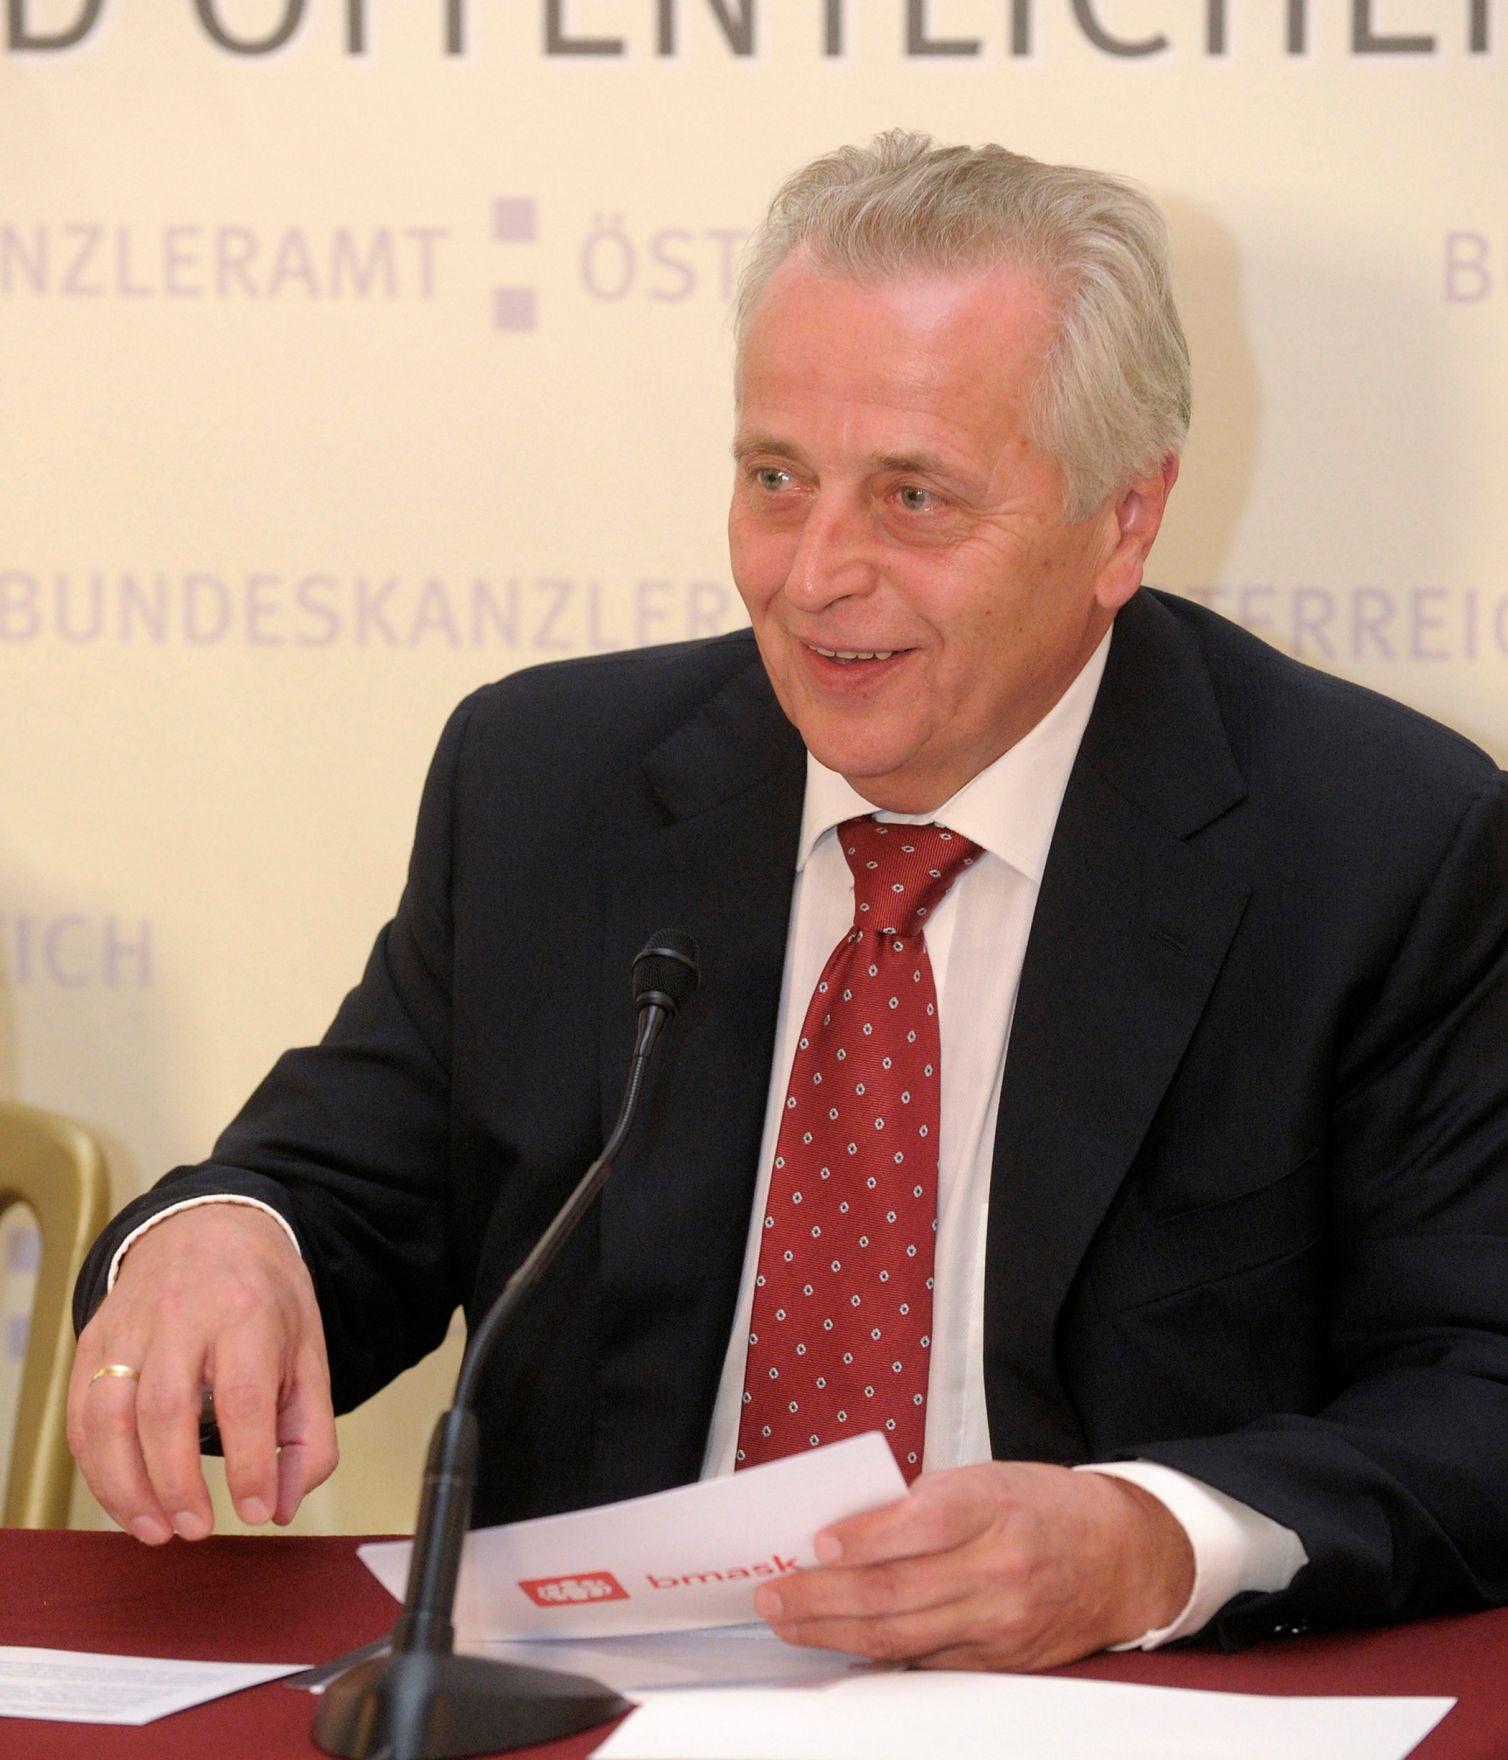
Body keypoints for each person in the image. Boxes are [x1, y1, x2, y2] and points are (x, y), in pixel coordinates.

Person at [69, 132, 1508, 1671]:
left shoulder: (1376, 845)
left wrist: (1153, 1539)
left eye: (913, 498)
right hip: (598, 1703)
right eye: (776, 479)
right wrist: (225, 1238)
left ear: (1125, 522)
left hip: (1084, 1705)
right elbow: (338, 1199)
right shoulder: (550, 781)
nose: (815, 572)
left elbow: (1478, 1385)